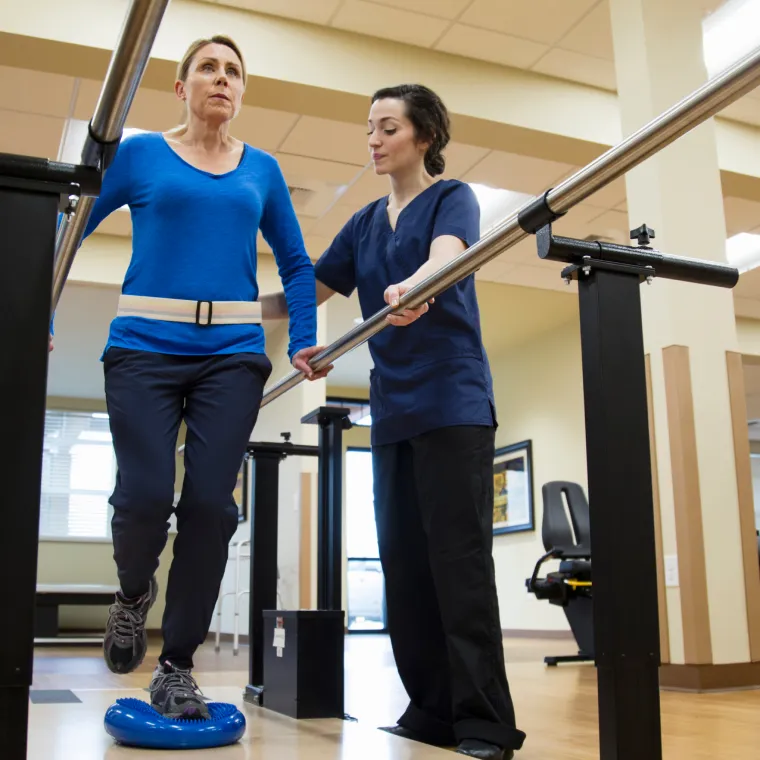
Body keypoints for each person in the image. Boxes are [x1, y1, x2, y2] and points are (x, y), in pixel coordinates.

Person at [52, 35, 325, 719]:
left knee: (211, 506)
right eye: (208, 68)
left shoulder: (261, 169)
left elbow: (295, 263)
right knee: (144, 495)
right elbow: (75, 221)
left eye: (234, 70)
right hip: (143, 344)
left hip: (231, 352)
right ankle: (131, 593)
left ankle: (176, 664)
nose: (222, 79)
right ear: (182, 87)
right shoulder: (140, 154)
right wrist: (41, 298)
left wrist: (305, 338)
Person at [266, 85, 526, 759]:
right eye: (370, 128)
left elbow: (447, 257)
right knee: (404, 565)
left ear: (424, 137)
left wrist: (419, 285)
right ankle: (433, 711)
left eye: (388, 127)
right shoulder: (361, 225)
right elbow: (310, 289)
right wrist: (230, 304)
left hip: (453, 405)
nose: (374, 140)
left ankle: (485, 723)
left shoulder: (451, 198)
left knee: (458, 567)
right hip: (393, 412)